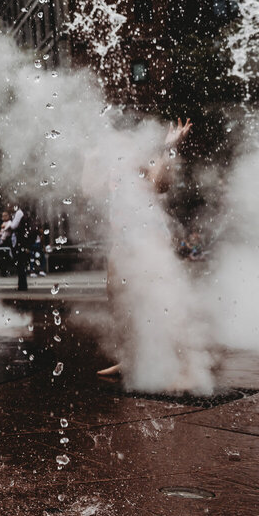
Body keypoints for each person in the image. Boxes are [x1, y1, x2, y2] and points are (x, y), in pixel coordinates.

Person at [97, 118, 192, 379]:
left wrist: (168, 147)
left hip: (147, 238)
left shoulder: (139, 162)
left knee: (160, 299)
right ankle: (130, 358)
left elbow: (160, 184)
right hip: (122, 240)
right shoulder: (113, 167)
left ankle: (180, 364)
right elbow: (87, 188)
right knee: (119, 301)